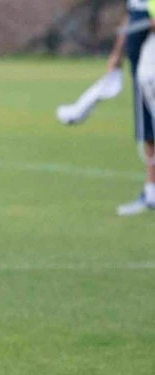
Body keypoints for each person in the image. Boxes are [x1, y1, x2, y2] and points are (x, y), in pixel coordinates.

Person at [110, 0, 155, 215]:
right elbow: (131, 15)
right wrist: (117, 53)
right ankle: (151, 192)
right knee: (149, 128)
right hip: (143, 61)